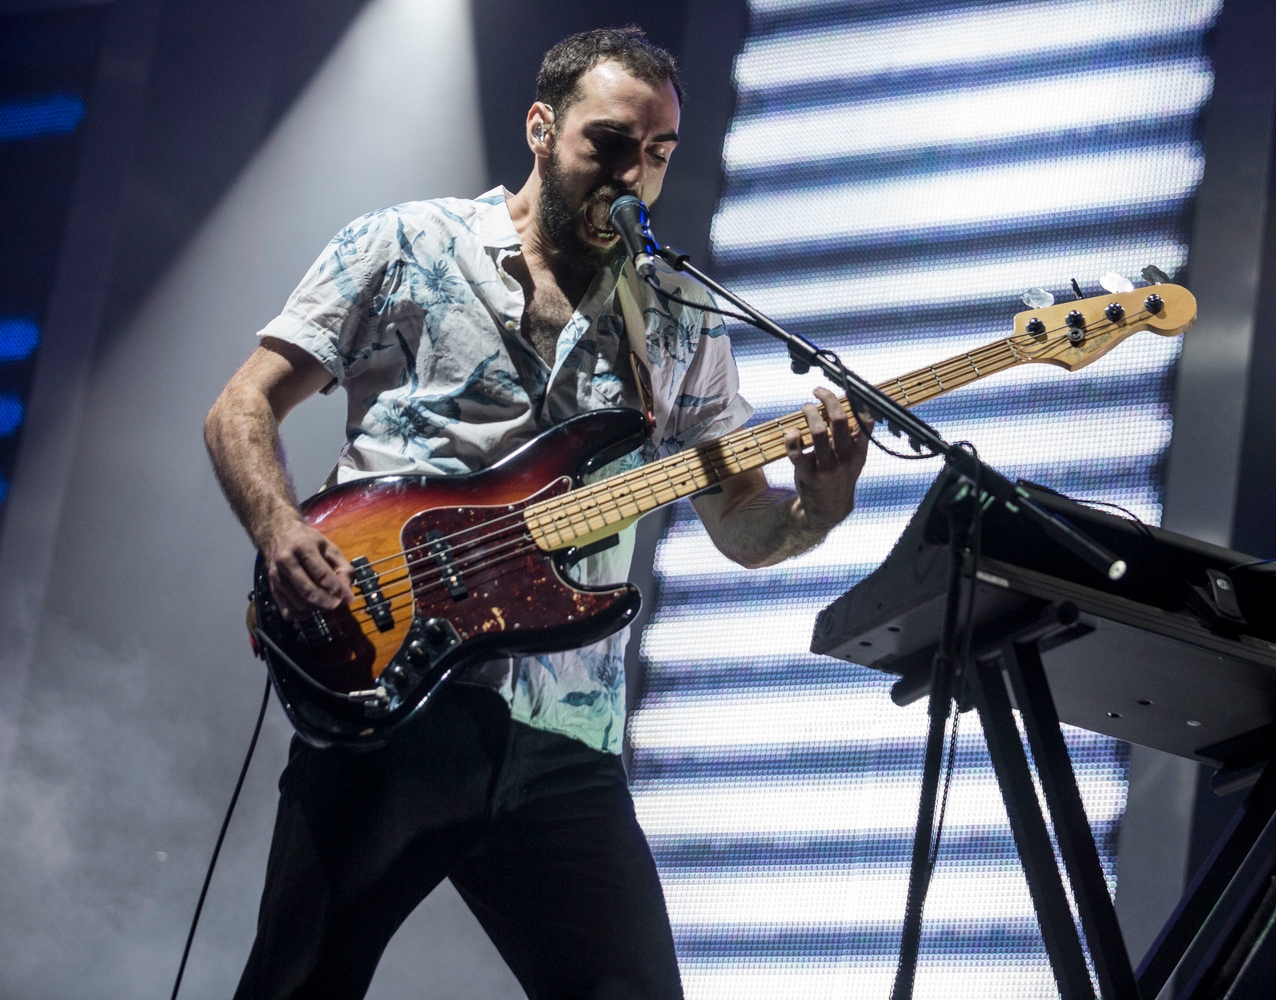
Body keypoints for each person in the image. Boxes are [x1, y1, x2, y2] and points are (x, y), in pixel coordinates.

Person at [203, 27, 867, 1000]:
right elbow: (241, 407)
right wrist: (277, 526)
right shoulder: (407, 245)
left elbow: (743, 527)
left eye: (658, 153)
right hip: (392, 689)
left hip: (565, 737)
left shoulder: (679, 318)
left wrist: (823, 499)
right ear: (541, 127)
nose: (634, 174)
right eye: (609, 144)